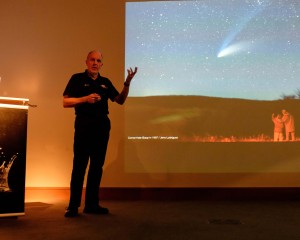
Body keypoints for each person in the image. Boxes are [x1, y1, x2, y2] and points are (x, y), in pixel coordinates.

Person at [63, 50, 137, 217]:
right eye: (92, 60)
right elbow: (65, 101)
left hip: (102, 126)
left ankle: (92, 204)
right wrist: (84, 99)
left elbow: (120, 100)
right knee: (79, 166)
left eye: (98, 60)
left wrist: (127, 83)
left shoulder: (105, 82)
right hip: (83, 124)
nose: (95, 63)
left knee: (97, 167)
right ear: (86, 61)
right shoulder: (77, 79)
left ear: (102, 64)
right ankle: (73, 206)